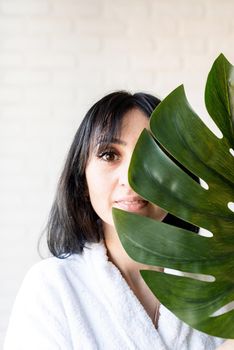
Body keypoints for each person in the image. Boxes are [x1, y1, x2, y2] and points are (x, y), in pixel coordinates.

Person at [4, 91, 231, 349]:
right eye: (110, 155)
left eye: (153, 155)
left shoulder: (220, 285)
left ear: (181, 175)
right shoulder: (52, 287)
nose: (131, 178)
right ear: (82, 179)